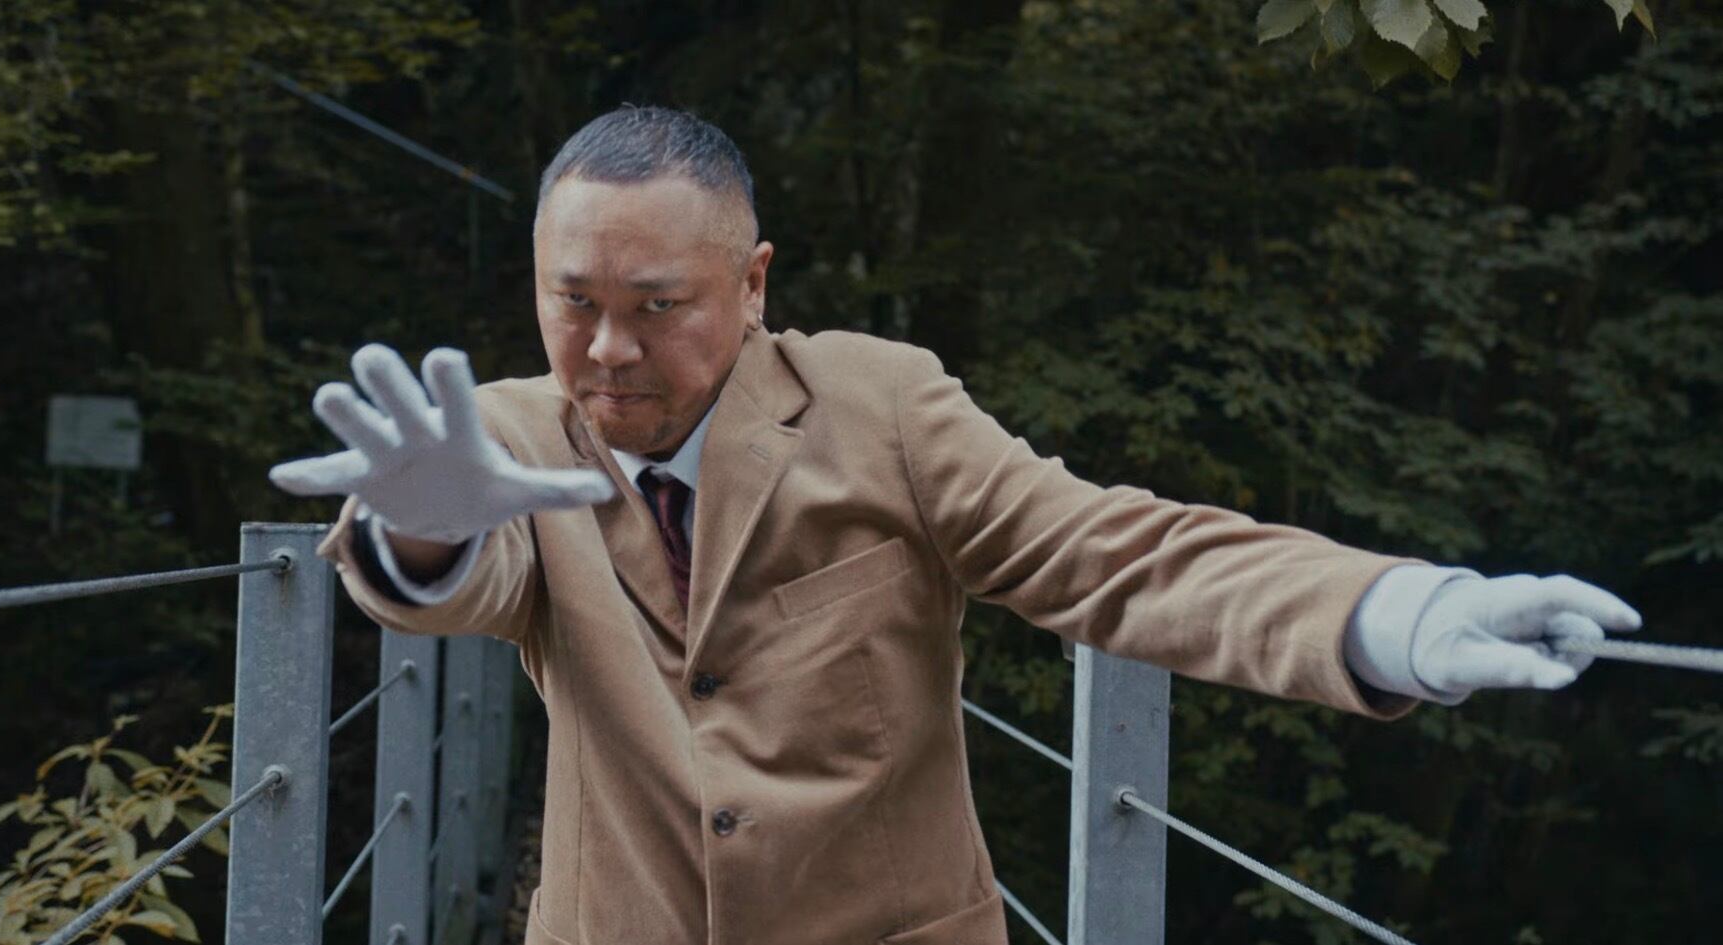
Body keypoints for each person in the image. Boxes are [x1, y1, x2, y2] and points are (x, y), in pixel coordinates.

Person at [269, 106, 1641, 945]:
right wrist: (424, 532)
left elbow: (1111, 551)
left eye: (657, 305)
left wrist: (1396, 612)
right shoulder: (504, 438)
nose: (608, 349)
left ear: (753, 284)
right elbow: (465, 569)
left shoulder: (884, 409)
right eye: (572, 302)